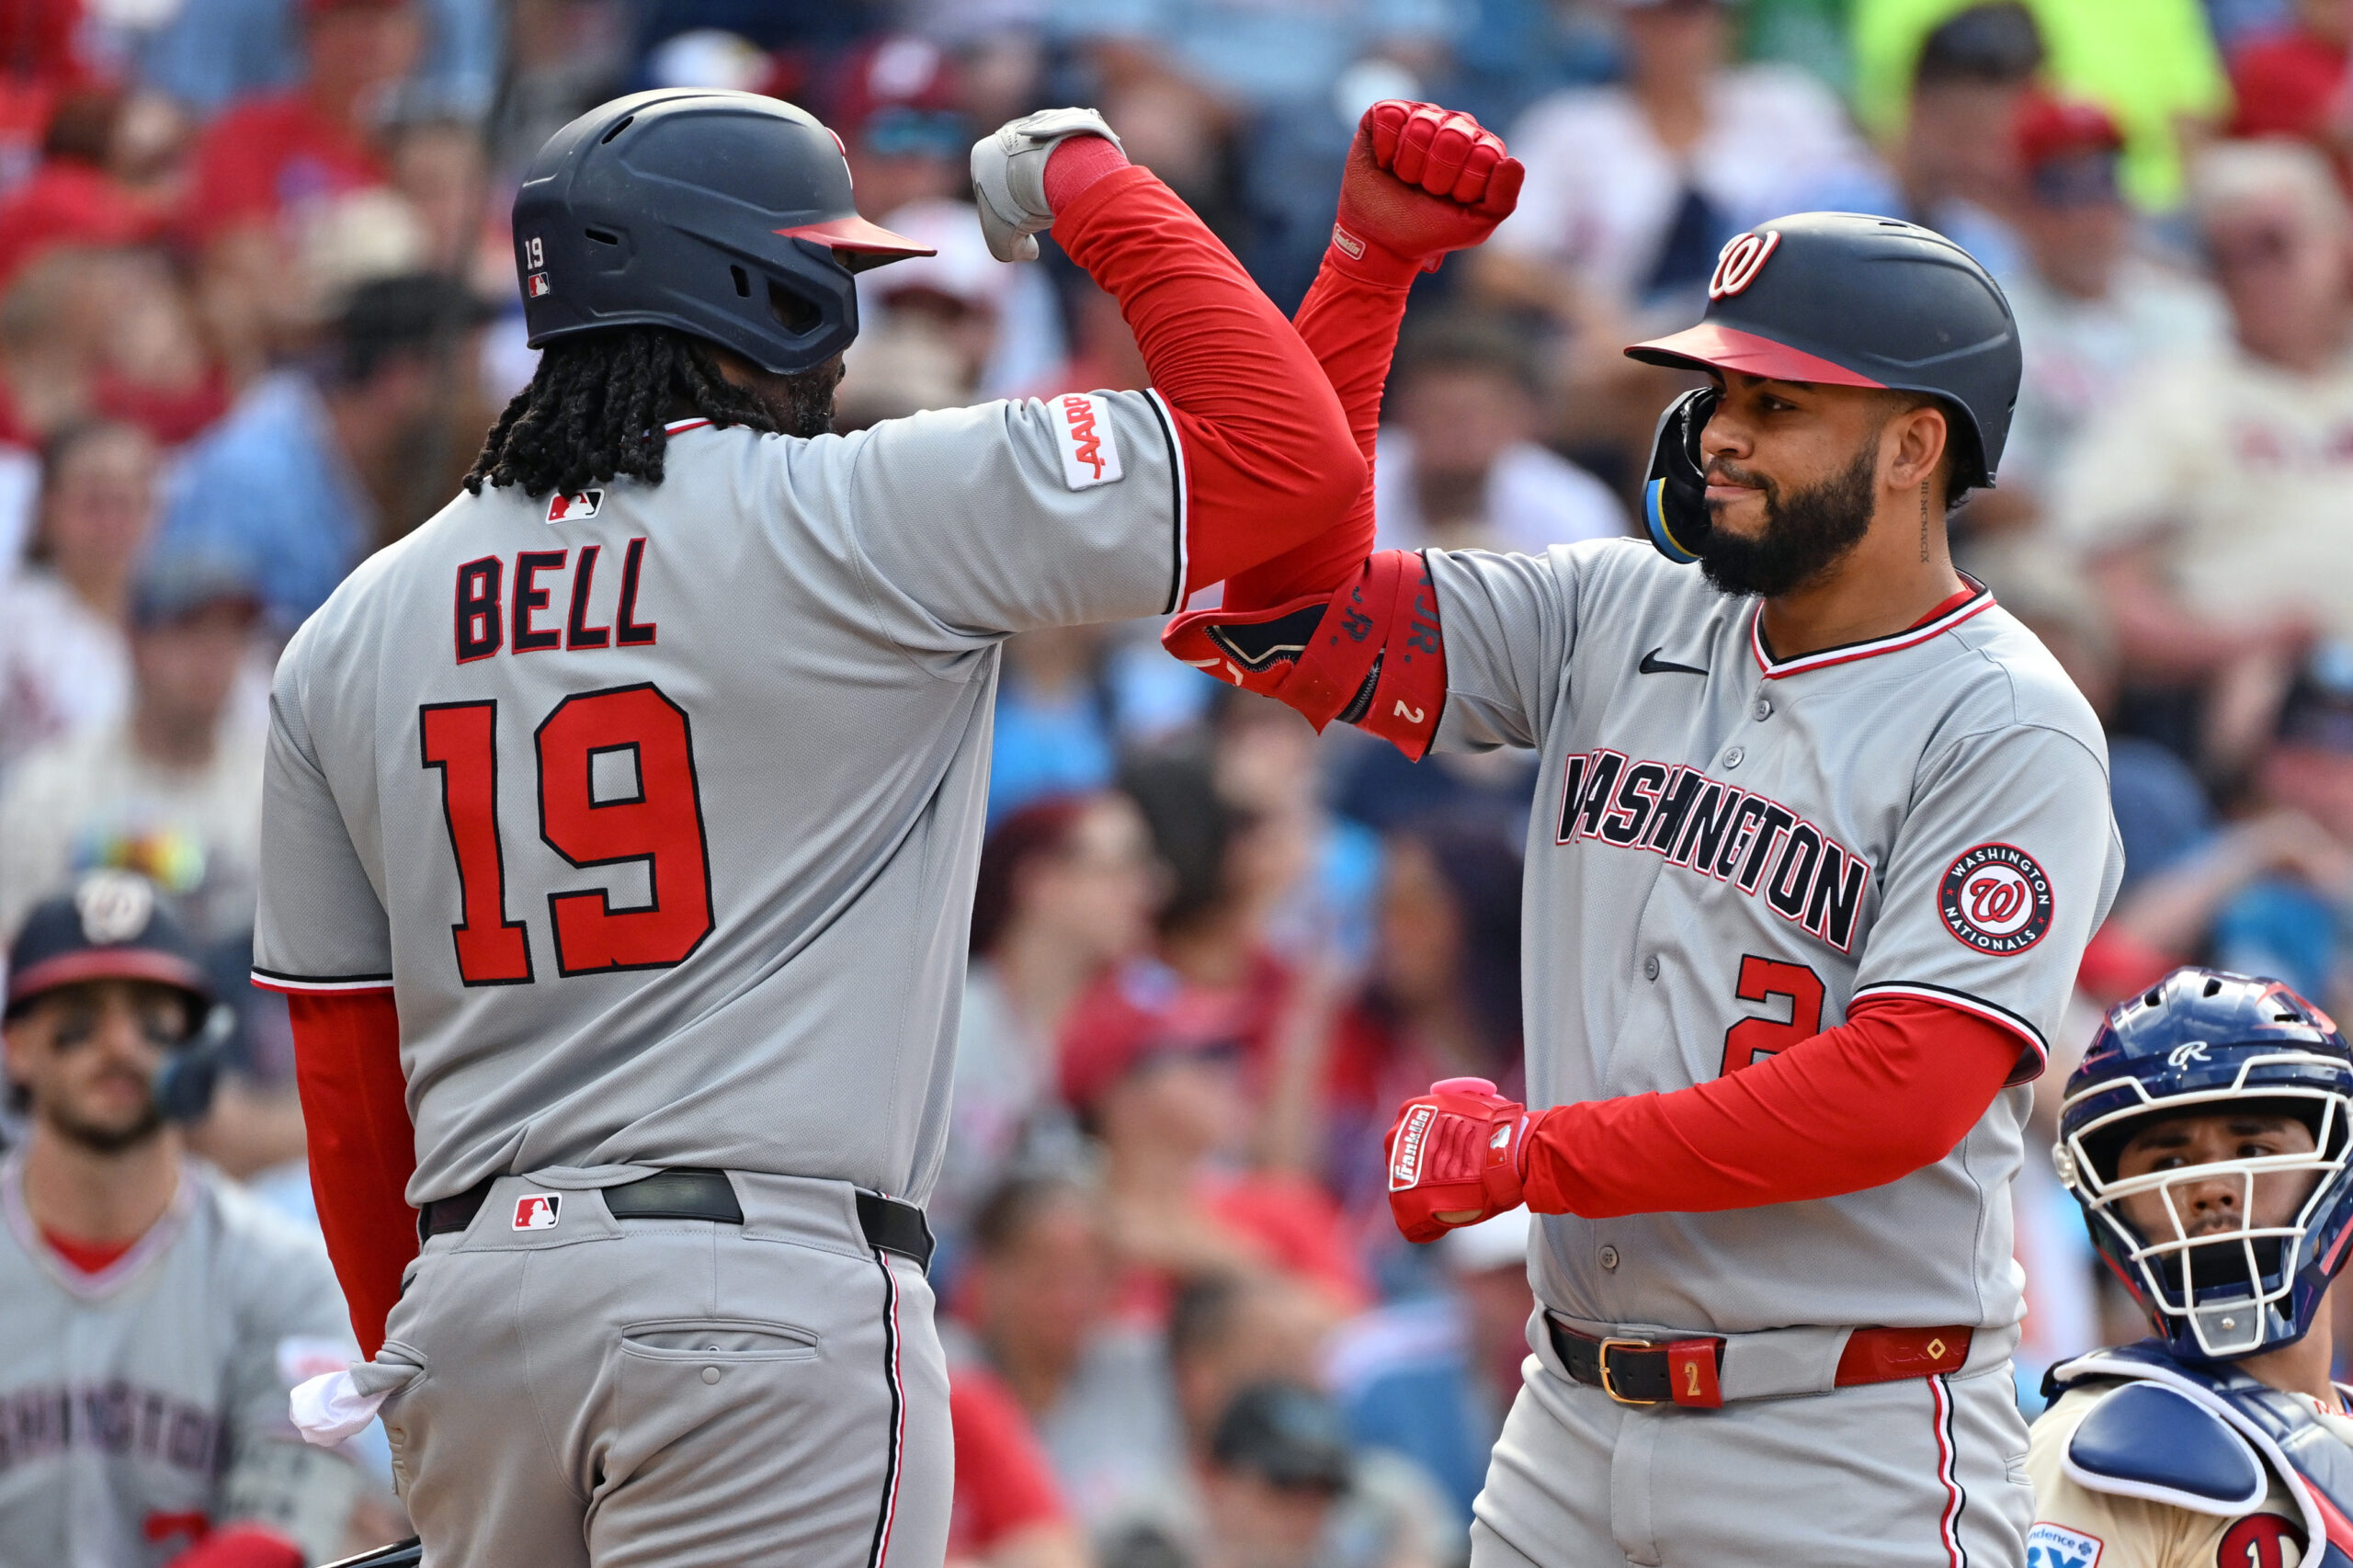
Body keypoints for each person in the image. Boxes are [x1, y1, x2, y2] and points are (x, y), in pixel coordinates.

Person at [252, 86, 1475, 1568]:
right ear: (758, 289)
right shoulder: (866, 511)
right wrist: (1093, 184)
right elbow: (1294, 475)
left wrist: (434, 1380)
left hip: (474, 1310)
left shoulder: (348, 628)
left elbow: (349, 1095)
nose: (841, 325)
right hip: (762, 1303)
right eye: (825, 273)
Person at [1166, 159, 2122, 1557]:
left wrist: (1533, 1156)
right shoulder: (1615, 606)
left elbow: (1901, 1088)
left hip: (1840, 1437)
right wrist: (1371, 268)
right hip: (1570, 1409)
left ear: (1916, 447)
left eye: (1777, 404)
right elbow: (1276, 607)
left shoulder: (2007, 718)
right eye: (1720, 394)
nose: (1719, 435)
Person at [0, 871, 363, 1568]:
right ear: (16, 1044)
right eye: (80, 1011)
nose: (120, 1044)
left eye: (150, 1013)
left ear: (197, 1041)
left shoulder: (282, 1272)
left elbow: (287, 1525)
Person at [2028, 966, 2353, 1567]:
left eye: (2253, 1150)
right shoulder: (2102, 1446)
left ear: (2335, 1167)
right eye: (2167, 1159)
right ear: (2112, 1201)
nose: (2210, 1187)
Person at [2052, 142, 2353, 735]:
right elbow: (2109, 593)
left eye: (2274, 245)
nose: (2251, 274)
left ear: (2338, 244)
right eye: (2227, 257)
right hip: (2281, 707)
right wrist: (2239, 645)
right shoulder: (2169, 398)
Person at [155, 272, 491, 629]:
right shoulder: (247, 478)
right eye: (465, 382)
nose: (478, 402)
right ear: (399, 378)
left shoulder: (394, 468)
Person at [0, 553, 267, 945]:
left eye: (231, 632)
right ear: (134, 640)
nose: (213, 654)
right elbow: (12, 944)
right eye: (189, 629)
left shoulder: (275, 794)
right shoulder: (52, 786)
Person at [0, 420, 161, 774]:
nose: (112, 520)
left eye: (128, 500)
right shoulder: (11, 620)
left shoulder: (184, 622)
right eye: (93, 500)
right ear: (47, 507)